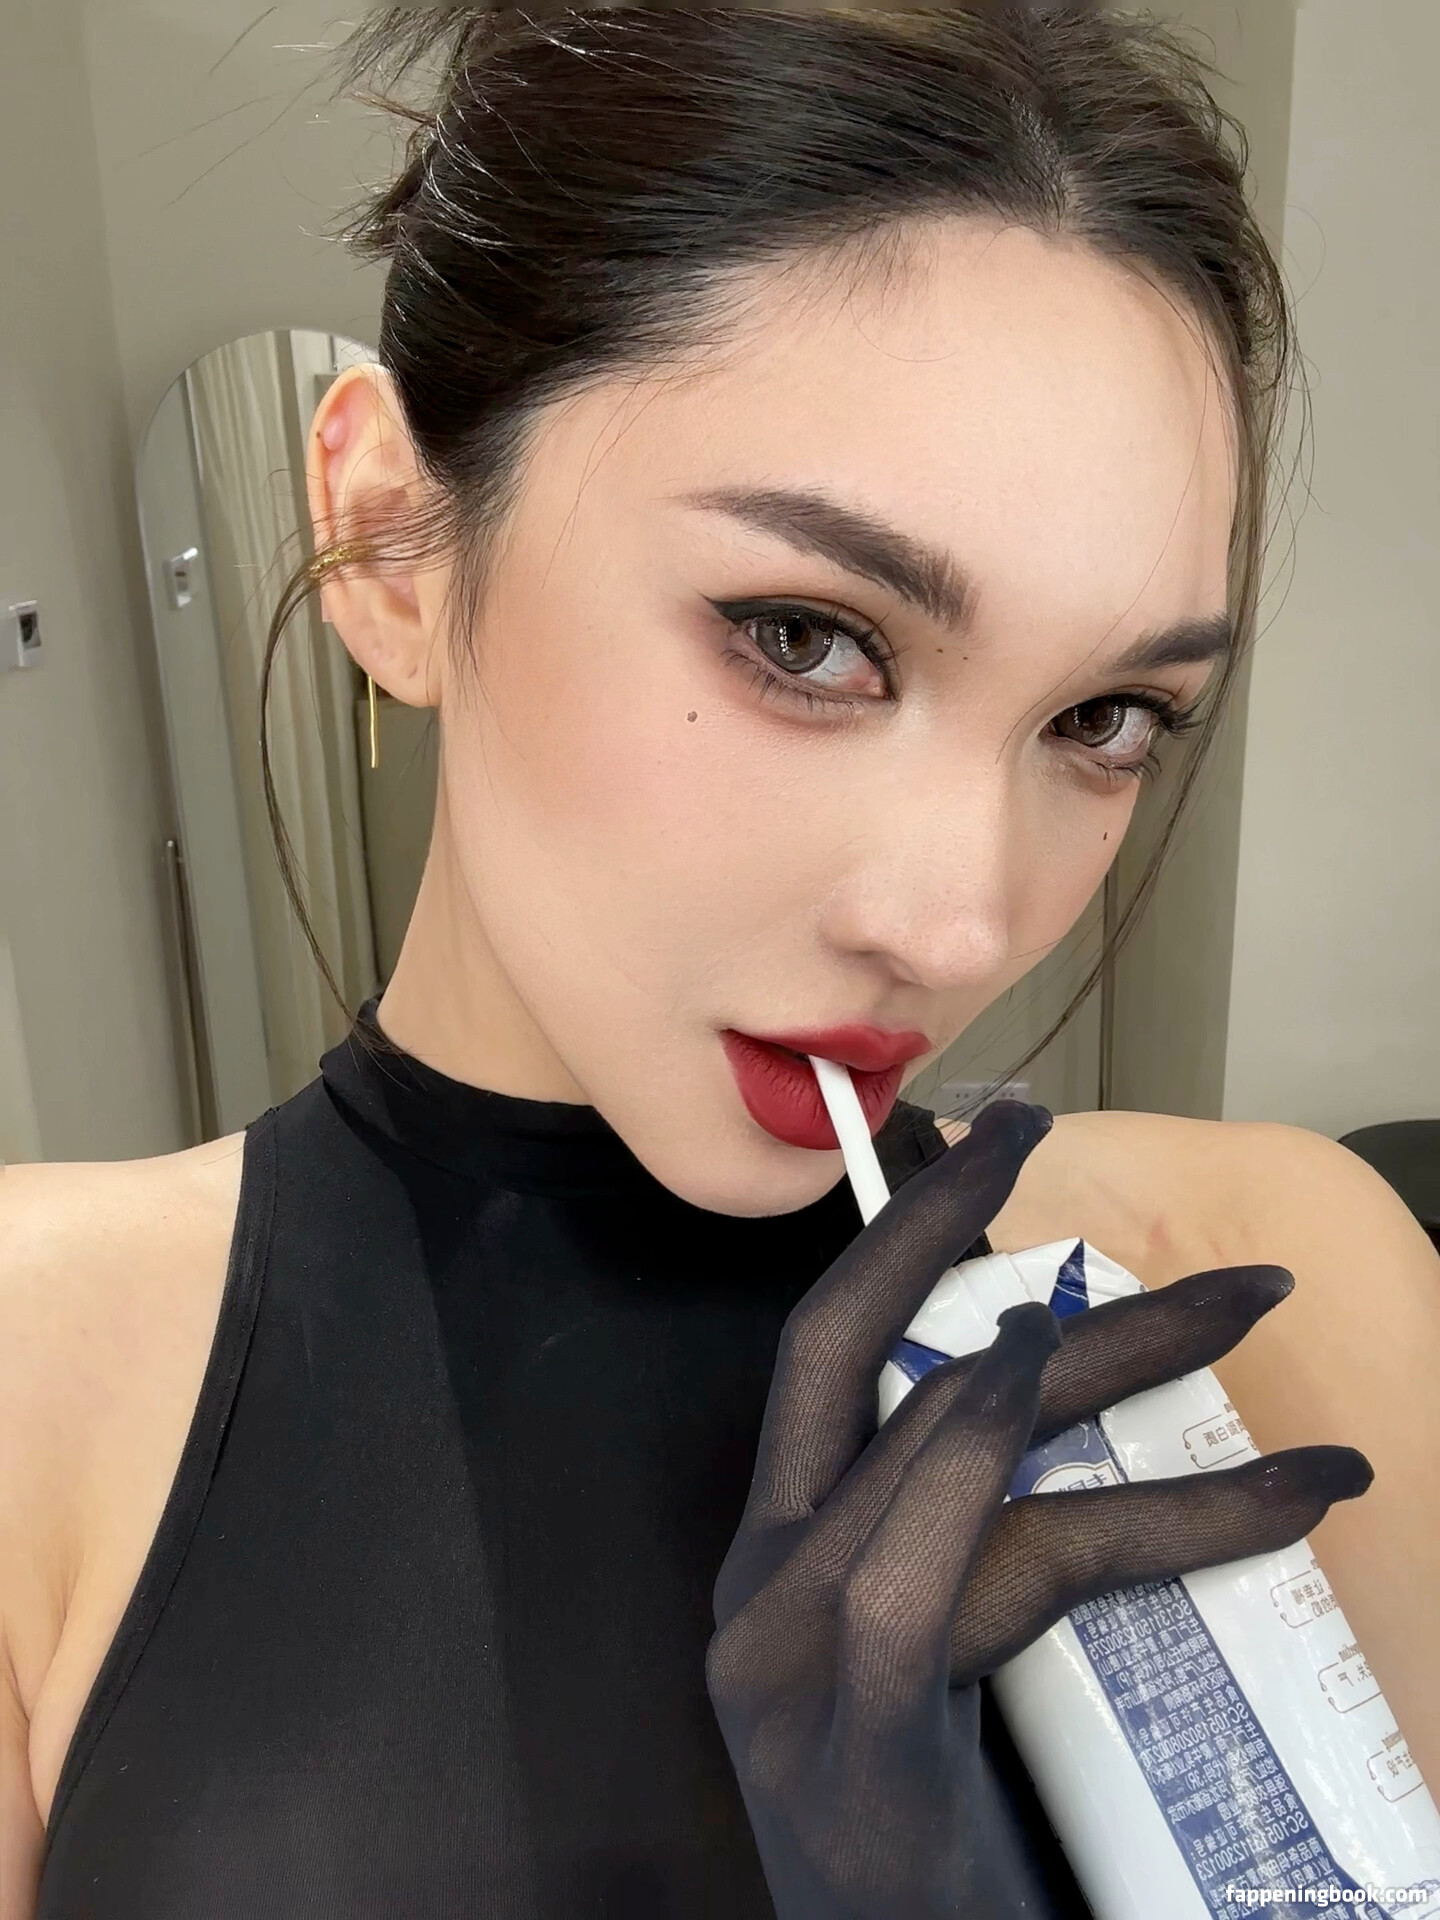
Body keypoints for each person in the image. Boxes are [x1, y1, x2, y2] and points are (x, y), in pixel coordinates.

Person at [3, 4, 1437, 1915]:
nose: (960, 925)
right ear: (394, 544)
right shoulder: (34, 1369)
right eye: (803, 638)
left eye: (1106, 718)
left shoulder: (1279, 1275)